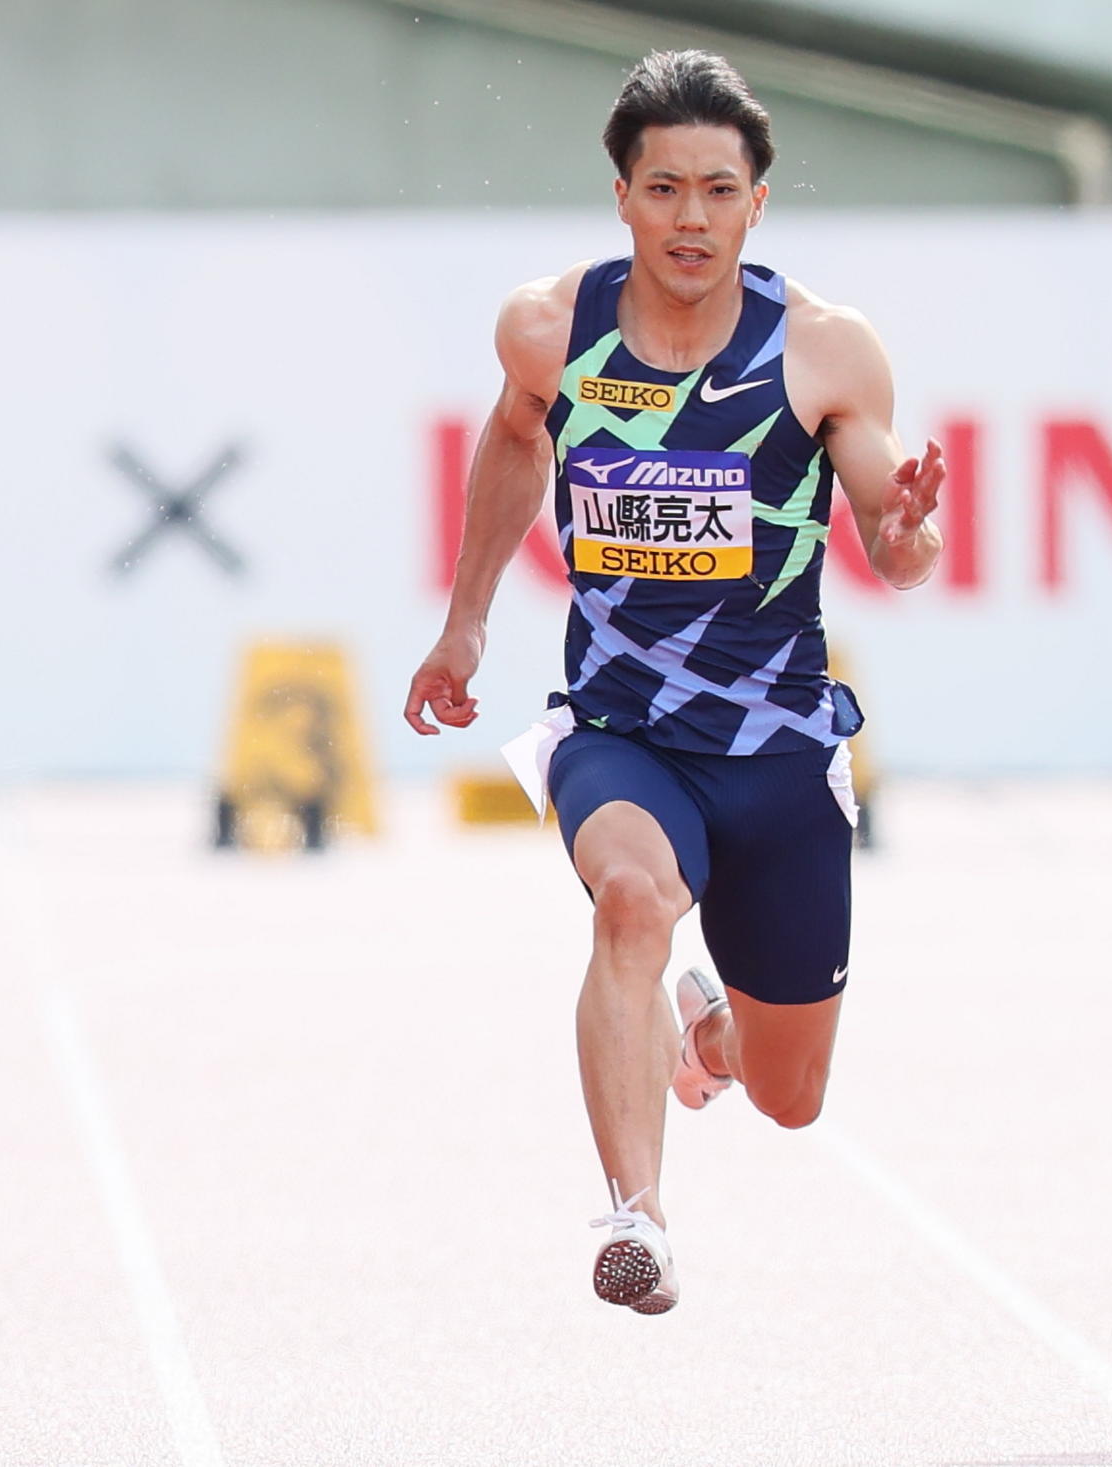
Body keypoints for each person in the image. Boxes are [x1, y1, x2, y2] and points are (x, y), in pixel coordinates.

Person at [404, 49, 943, 1314]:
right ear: (622, 197)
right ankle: (632, 1216)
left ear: (759, 201)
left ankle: (708, 1041)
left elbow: (894, 544)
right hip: (620, 729)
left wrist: (909, 532)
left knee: (791, 1094)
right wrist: (466, 623)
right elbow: (510, 441)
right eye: (662, 190)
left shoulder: (819, 350)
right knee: (631, 902)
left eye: (715, 190)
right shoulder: (553, 328)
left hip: (776, 750)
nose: (688, 218)